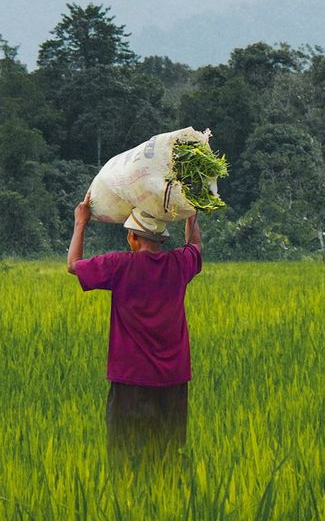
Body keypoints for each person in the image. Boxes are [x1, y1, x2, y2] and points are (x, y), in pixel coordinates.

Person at [66, 192, 203, 468]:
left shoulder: (119, 265)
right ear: (161, 240)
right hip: (173, 380)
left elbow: (73, 266)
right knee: (168, 455)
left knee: (125, 455)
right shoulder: (178, 264)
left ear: (132, 238)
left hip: (130, 379)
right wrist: (191, 213)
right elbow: (196, 246)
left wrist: (80, 222)